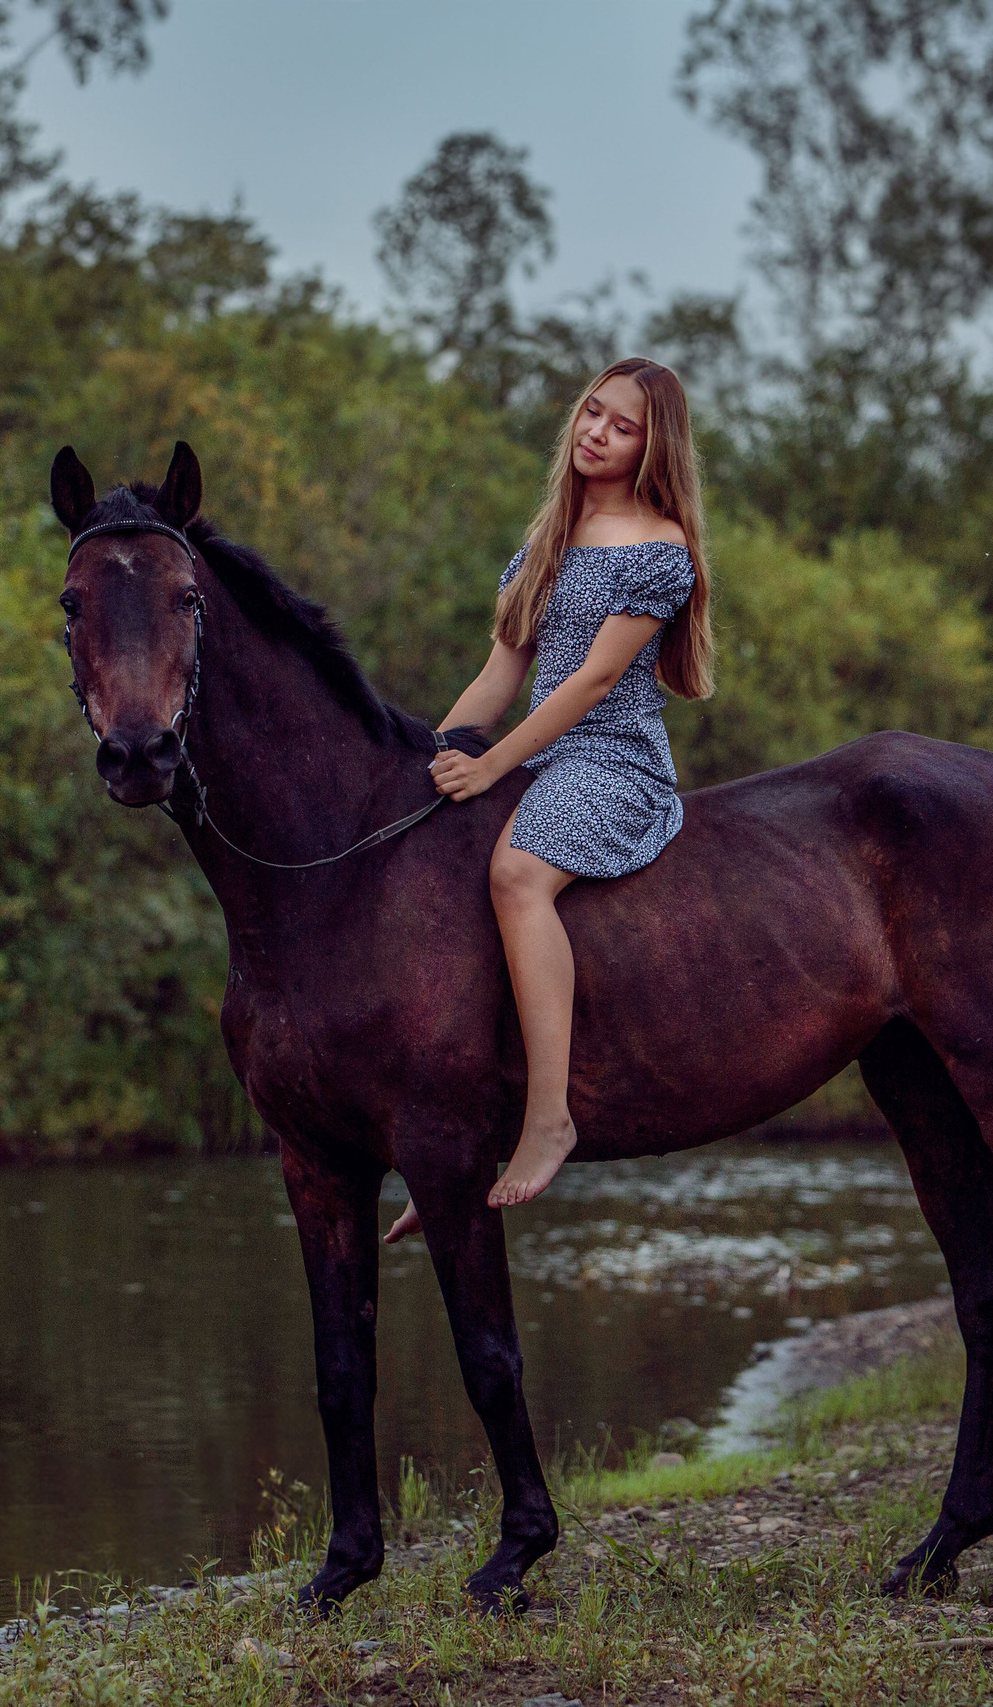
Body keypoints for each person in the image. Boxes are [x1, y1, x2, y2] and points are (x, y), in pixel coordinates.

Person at [383, 357, 715, 1245]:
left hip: (612, 761)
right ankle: (464, 1139)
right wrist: (432, 759)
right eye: (591, 413)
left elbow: (595, 682)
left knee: (518, 876)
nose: (596, 431)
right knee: (440, 870)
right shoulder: (544, 544)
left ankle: (548, 1118)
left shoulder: (661, 548)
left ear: (655, 445)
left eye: (622, 425)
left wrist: (491, 771)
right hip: (536, 755)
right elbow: (502, 676)